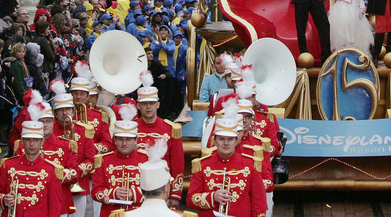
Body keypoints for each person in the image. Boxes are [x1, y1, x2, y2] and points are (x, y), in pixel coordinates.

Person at [187, 114, 267, 217]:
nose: (226, 143)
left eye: (230, 139)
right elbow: (190, 200)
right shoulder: (202, 165)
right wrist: (212, 197)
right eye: (221, 139)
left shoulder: (251, 164)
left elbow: (259, 204)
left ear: (236, 141)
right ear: (215, 141)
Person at [0, 120, 64, 217]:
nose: (31, 144)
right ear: (22, 141)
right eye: (28, 139)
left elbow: (54, 206)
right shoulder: (8, 165)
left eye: (35, 140)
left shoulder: (51, 169)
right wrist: (4, 199)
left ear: (42, 141)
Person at [133, 77, 184, 208]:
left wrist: (175, 194)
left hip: (162, 188)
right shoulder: (130, 129)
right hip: (135, 188)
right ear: (138, 106)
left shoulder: (170, 129)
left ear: (158, 104)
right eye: (144, 104)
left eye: (151, 103)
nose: (148, 107)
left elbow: (177, 164)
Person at [91, 104, 145, 217]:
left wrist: (134, 194)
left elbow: (156, 191)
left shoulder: (146, 159)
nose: (124, 143)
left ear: (136, 140)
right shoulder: (104, 160)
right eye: (120, 139)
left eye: (128, 139)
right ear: (114, 140)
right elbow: (95, 192)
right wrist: (113, 193)